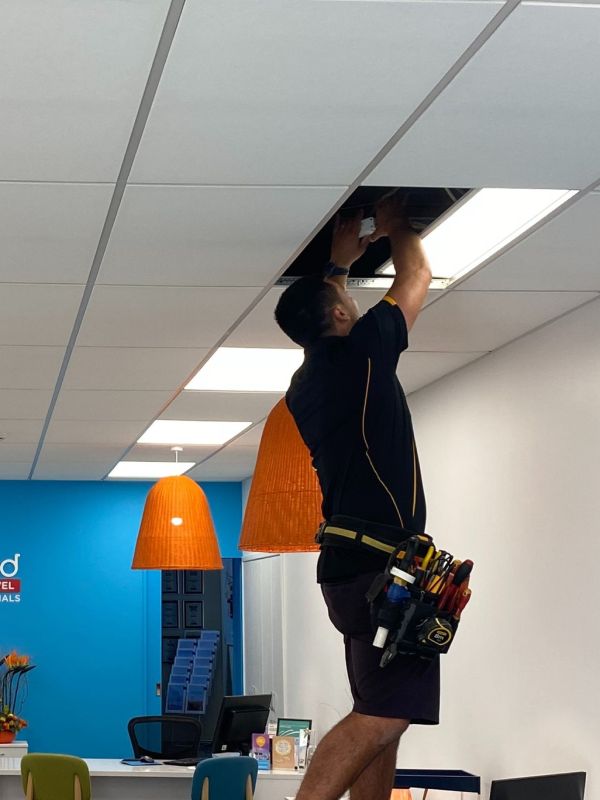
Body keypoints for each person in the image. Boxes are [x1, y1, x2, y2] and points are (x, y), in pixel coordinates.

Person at [274, 194, 434, 800]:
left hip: (353, 568)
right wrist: (396, 226)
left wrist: (338, 266)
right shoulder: (360, 356)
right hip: (381, 568)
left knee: (382, 714)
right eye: (347, 301)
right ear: (342, 316)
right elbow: (415, 275)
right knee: (386, 715)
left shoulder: (307, 381)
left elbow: (326, 312)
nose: (355, 307)